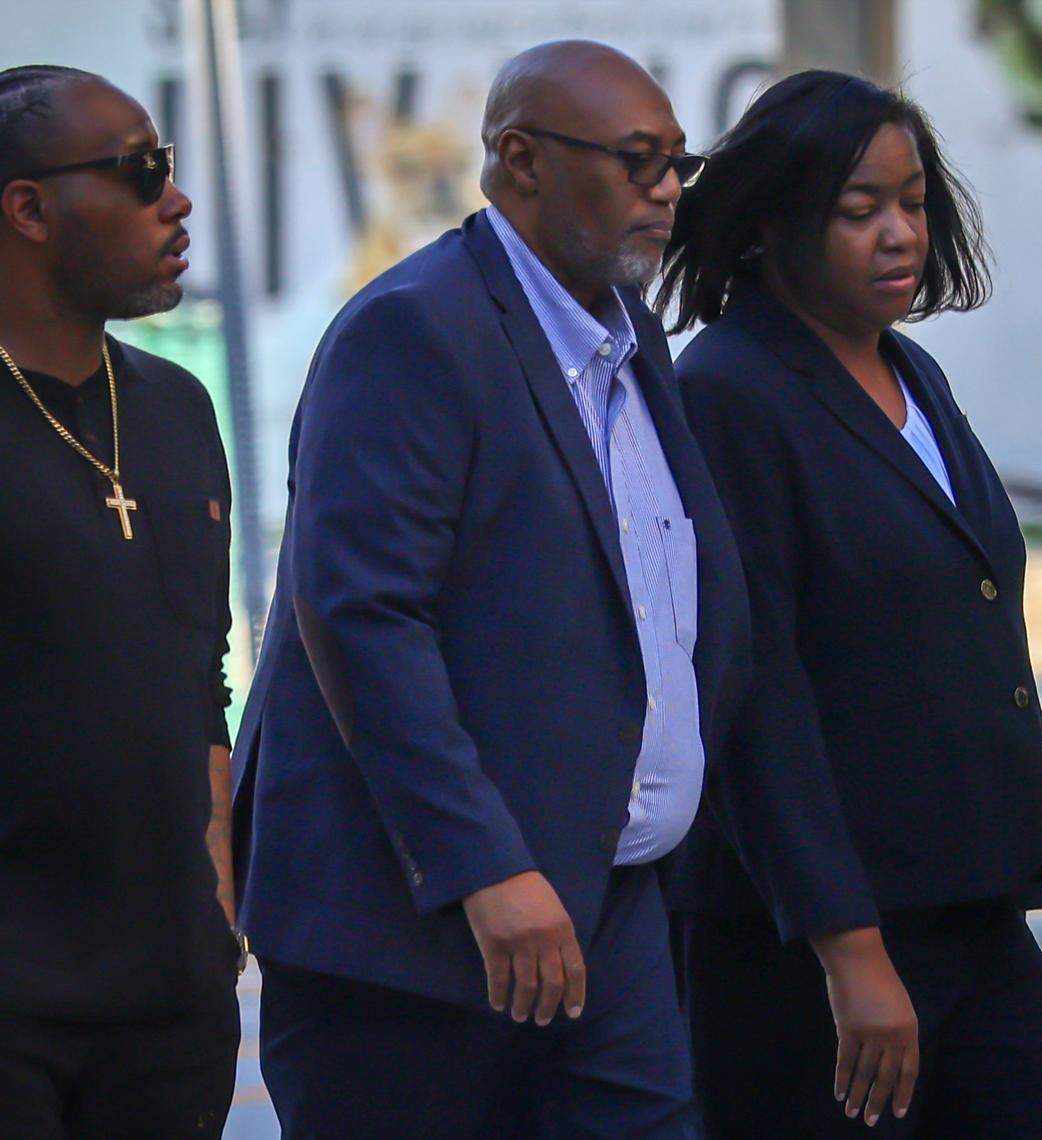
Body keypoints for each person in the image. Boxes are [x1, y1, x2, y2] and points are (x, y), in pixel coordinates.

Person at [230, 39, 749, 1138]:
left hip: (609, 906)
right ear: (521, 159)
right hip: (423, 928)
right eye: (639, 161)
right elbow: (363, 615)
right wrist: (484, 867)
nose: (667, 191)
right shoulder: (415, 328)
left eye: (678, 166)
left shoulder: (628, 331)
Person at [657, 70, 1042, 1139]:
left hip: (974, 910)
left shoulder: (910, 372)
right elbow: (752, 686)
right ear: (769, 227)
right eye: (859, 211)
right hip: (813, 943)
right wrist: (848, 949)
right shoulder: (729, 391)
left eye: (912, 201)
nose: (899, 233)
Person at [0, 66, 241, 1137]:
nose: (176, 202)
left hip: (175, 1008)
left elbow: (203, 688)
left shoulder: (177, 404)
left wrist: (219, 926)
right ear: (29, 208)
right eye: (144, 173)